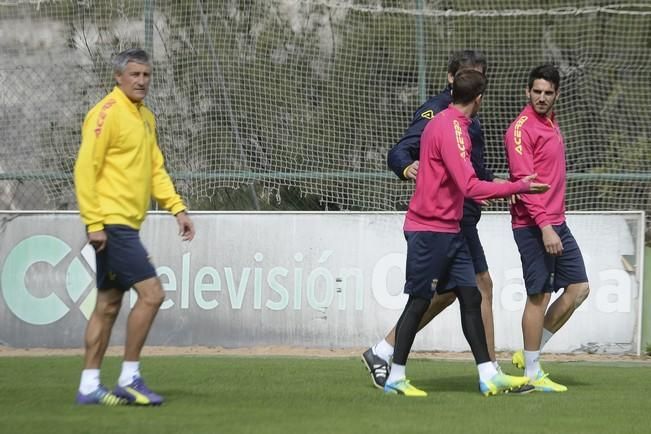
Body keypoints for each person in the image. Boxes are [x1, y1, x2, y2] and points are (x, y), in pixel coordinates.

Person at [381, 69, 549, 397]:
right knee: (419, 301)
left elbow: (463, 181)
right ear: (479, 99)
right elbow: (469, 184)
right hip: (430, 229)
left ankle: (488, 374)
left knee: (470, 295)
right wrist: (520, 186)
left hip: (451, 228)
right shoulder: (453, 129)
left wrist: (499, 187)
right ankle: (395, 376)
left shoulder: (445, 121)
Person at [363, 50, 505, 388]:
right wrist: (406, 166)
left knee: (452, 292)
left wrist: (497, 184)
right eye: (467, 74)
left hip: (462, 212)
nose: (473, 82)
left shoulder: (472, 117)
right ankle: (490, 370)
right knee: (478, 287)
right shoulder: (438, 112)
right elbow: (400, 150)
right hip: (444, 219)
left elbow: (476, 169)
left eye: (479, 76)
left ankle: (383, 350)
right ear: (450, 78)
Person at [73, 48, 195, 406]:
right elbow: (84, 169)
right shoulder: (106, 113)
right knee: (153, 294)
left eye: (146, 75)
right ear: (119, 77)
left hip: (125, 224)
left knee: (108, 305)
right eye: (135, 75)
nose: (142, 81)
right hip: (112, 225)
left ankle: (89, 386)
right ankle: (129, 378)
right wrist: (94, 223)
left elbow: (155, 169)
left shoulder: (145, 117)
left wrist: (177, 208)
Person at [504, 64, 590, 392]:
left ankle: (528, 353)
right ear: (528, 92)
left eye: (548, 92)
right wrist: (544, 227)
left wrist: (554, 225)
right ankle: (531, 374)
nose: (541, 97)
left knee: (578, 289)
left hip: (557, 222)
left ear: (556, 94)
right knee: (538, 295)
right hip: (533, 224)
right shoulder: (520, 129)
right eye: (536, 92)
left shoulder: (551, 124)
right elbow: (524, 185)